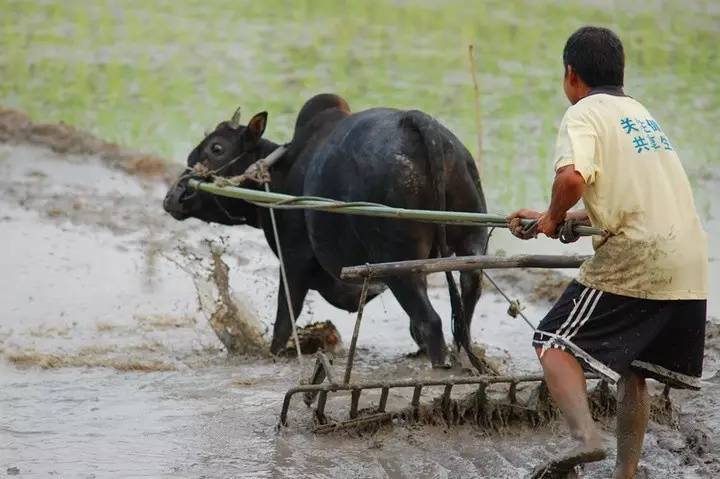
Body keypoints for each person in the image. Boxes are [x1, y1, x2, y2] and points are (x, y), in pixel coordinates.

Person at [508, 26, 708, 479]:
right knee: (633, 368)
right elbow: (624, 197)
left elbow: (572, 178)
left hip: (639, 253)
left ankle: (586, 441)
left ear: (570, 75)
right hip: (690, 259)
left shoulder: (583, 114)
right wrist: (557, 216)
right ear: (621, 72)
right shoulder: (641, 115)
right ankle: (626, 472)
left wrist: (554, 215)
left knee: (552, 343)